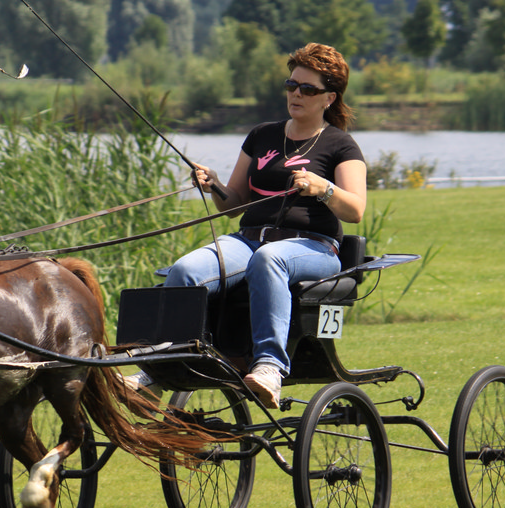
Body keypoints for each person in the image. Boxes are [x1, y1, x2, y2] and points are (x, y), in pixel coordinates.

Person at [127, 43, 367, 407]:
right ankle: (161, 368)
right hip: (248, 240)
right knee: (186, 270)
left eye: (307, 89)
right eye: (291, 85)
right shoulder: (262, 136)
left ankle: (269, 366)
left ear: (329, 98)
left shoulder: (341, 145)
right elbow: (234, 205)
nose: (296, 94)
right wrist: (215, 185)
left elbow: (355, 210)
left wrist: (324, 188)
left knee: (270, 258)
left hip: (313, 247)